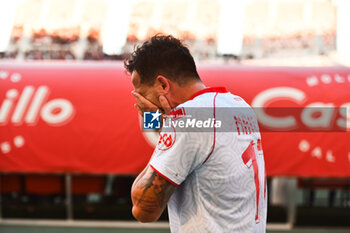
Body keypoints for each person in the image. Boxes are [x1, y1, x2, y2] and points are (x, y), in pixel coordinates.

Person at [124, 35, 267, 232]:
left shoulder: (187, 119)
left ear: (163, 85)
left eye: (141, 94)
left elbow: (143, 209)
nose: (140, 104)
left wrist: (159, 125)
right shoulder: (239, 105)